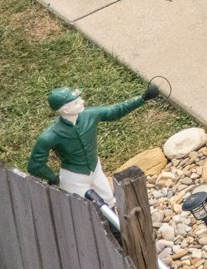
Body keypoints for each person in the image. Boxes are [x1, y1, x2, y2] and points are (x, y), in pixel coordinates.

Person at [26, 83, 159, 200]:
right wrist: (53, 178)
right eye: (76, 102)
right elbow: (35, 165)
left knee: (107, 198)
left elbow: (115, 111)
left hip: (95, 169)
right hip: (74, 177)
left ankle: (114, 228)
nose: (82, 101)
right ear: (65, 109)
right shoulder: (50, 135)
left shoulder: (90, 115)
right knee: (80, 209)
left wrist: (143, 98)